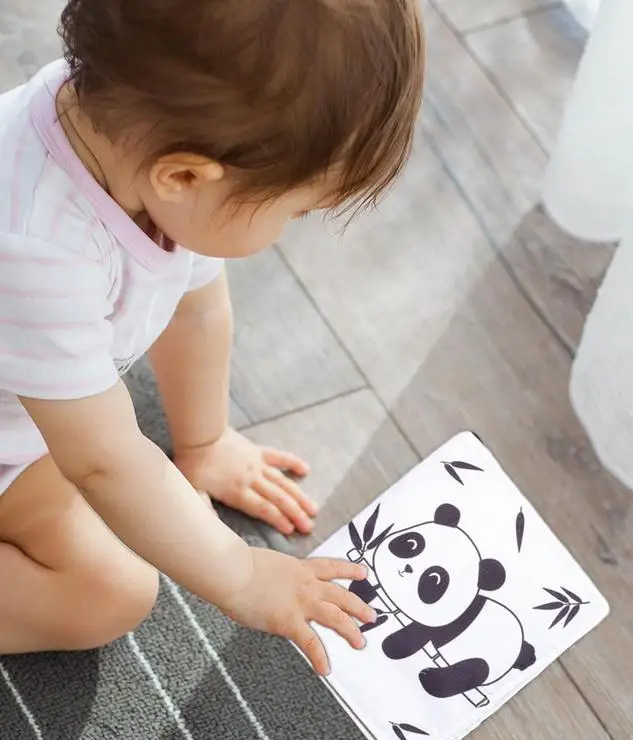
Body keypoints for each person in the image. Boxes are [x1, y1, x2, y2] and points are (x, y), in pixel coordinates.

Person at [0, 0, 424, 676]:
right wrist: (241, 576)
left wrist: (204, 442)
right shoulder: (34, 250)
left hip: (27, 427)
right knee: (108, 594)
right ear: (186, 176)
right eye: (296, 210)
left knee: (143, 517)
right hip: (32, 439)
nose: (291, 228)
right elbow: (102, 458)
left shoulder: (137, 136)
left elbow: (195, 310)